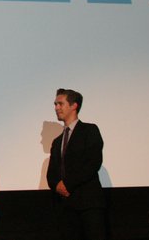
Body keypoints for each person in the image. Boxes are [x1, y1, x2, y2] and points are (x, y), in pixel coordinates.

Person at [46, 88, 106, 240]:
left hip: (88, 204)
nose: (56, 108)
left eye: (60, 104)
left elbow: (93, 162)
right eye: (55, 104)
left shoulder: (89, 130)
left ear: (74, 106)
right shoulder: (57, 141)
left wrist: (67, 184)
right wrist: (57, 185)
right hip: (65, 207)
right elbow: (51, 173)